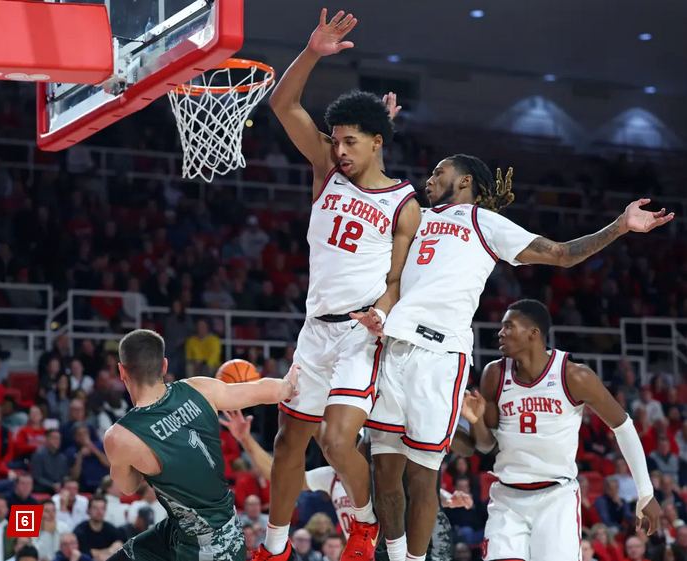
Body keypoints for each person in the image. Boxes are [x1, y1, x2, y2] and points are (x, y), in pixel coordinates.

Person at [353, 152, 672, 561]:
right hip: (396, 345)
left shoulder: (485, 223)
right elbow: (483, 444)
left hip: (443, 355)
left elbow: (561, 254)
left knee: (421, 471)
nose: (429, 177)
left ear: (466, 181)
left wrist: (621, 226)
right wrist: (378, 141)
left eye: (439, 171)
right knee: (383, 464)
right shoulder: (415, 218)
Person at [261, 10, 421, 561]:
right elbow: (284, 105)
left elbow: (400, 278)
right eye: (337, 141)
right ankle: (275, 548)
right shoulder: (326, 171)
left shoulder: (405, 204)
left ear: (377, 142)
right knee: (287, 444)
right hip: (314, 330)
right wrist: (311, 53)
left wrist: (383, 309)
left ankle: (364, 523)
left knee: (334, 440)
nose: (341, 151)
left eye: (352, 142)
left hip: (360, 333)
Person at [468, 300, 660, 561]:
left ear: (533, 333)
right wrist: (476, 421)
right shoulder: (494, 374)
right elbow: (486, 446)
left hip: (556, 499)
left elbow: (623, 426)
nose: (500, 333)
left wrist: (645, 492)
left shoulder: (574, 376)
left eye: (508, 326)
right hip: (507, 498)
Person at [102, 329, 299, 561]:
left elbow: (128, 486)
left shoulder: (120, 437)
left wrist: (144, 459)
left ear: (122, 371)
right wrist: (290, 383)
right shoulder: (200, 388)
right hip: (184, 528)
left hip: (213, 545)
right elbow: (270, 390)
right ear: (164, 366)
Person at [221, 409, 473, 559]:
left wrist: (446, 496)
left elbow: (413, 487)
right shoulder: (331, 476)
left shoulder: (380, 472)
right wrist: (246, 440)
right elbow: (281, 474)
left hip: (392, 550)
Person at [31, 430, 68, 495]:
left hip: (59, 490)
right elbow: (37, 477)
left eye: (59, 439)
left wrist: (61, 484)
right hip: (42, 490)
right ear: (47, 439)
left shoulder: (62, 458)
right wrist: (52, 485)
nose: (57, 441)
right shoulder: (39, 455)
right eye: (54, 438)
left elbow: (64, 476)